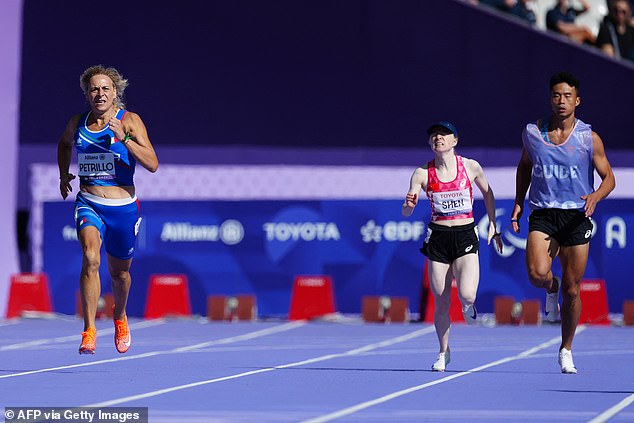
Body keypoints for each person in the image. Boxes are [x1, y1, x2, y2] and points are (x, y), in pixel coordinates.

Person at [511, 72, 615, 374]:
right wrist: (519, 201)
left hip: (576, 215)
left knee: (573, 289)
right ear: (550, 98)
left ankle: (566, 348)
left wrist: (595, 195)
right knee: (536, 274)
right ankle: (550, 285)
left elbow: (609, 178)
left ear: (577, 100)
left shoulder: (588, 138)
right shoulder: (532, 133)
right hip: (543, 212)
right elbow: (524, 166)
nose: (561, 100)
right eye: (556, 95)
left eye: (567, 96)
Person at [57, 65, 159, 354]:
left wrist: (125, 139)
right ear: (86, 94)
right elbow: (64, 145)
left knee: (120, 275)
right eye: (93, 89)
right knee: (90, 258)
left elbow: (152, 163)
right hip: (89, 202)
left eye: (105, 88)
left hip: (122, 207)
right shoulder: (77, 123)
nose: (99, 93)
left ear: (115, 92)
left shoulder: (130, 121)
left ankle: (120, 315)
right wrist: (64, 174)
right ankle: (89, 330)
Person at [402, 121, 503, 372]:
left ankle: (469, 305)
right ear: (430, 143)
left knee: (467, 294)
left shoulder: (470, 166)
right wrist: (409, 205)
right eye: (434, 135)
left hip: (466, 233)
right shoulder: (422, 173)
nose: (438, 138)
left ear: (455, 141)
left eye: (444, 135)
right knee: (441, 300)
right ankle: (443, 351)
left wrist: (492, 222)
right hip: (438, 237)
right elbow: (406, 210)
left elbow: (488, 193)